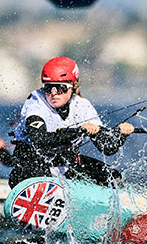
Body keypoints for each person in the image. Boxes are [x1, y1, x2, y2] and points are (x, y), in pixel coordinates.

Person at [8, 56, 135, 188]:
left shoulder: (82, 106)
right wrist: (79, 131)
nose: (53, 93)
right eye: (48, 88)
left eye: (60, 88)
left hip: (64, 163)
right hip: (31, 165)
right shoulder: (36, 103)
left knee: (112, 177)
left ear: (73, 87)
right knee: (40, 171)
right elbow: (40, 139)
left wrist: (121, 135)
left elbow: (107, 148)